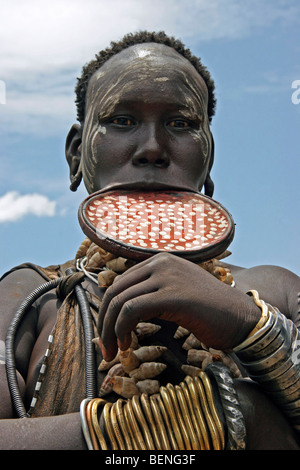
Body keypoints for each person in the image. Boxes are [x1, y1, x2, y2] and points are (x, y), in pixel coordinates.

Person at [0, 31, 299, 450]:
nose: (153, 149)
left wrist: (249, 326)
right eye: (121, 121)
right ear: (76, 154)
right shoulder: (28, 298)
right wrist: (223, 415)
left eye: (180, 124)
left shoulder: (273, 291)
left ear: (208, 159)